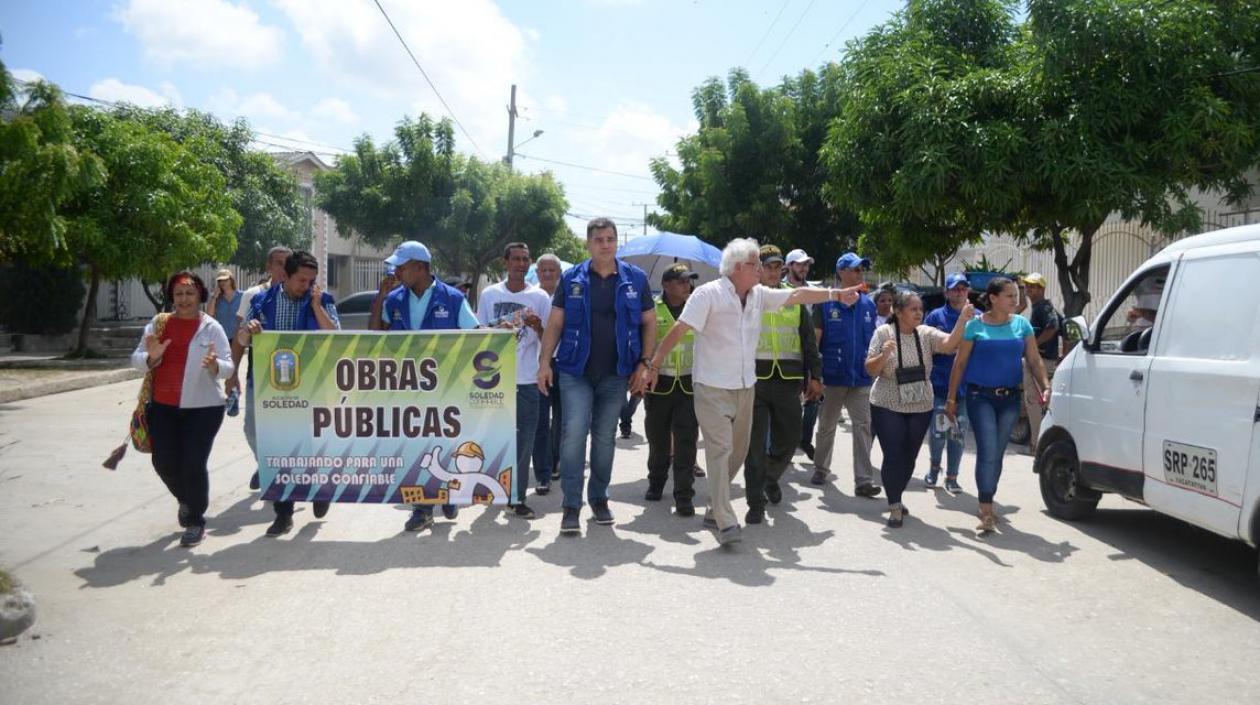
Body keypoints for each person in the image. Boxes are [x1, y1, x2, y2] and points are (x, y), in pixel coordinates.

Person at [639, 238, 863, 546]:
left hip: (745, 386)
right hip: (711, 387)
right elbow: (678, 331)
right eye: (756, 264)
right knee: (719, 451)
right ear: (738, 267)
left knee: (738, 452)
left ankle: (713, 506)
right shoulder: (708, 295)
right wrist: (652, 368)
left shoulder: (758, 295)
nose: (761, 269)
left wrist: (835, 293)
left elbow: (796, 295)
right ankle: (724, 519)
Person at [538, 217, 656, 536]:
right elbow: (555, 324)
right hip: (575, 370)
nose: (606, 244)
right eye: (599, 239)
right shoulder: (571, 278)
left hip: (617, 373)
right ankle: (571, 506)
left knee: (605, 438)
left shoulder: (636, 279)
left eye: (611, 239)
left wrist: (645, 363)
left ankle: (599, 498)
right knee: (574, 433)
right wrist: (544, 363)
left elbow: (649, 322)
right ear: (588, 244)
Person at [371, 240, 479, 532]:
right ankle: (422, 508)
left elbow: (476, 336)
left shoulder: (453, 298)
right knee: (415, 445)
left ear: (420, 267)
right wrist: (380, 298)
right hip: (406, 386)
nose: (397, 271)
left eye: (402, 266)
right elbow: (375, 336)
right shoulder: (394, 299)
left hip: (445, 387)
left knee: (444, 444)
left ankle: (447, 493)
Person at [237, 250, 340, 536]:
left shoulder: (322, 300)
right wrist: (250, 330)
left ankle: (321, 490)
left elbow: (336, 338)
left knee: (312, 443)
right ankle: (283, 512)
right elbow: (242, 338)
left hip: (313, 386)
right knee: (269, 443)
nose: (305, 286)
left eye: (311, 281)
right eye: (301, 280)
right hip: (272, 387)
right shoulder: (262, 301)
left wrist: (317, 306)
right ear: (286, 275)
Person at [131, 272, 234, 547]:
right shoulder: (159, 324)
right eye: (178, 294)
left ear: (199, 295)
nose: (184, 299)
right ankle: (185, 500)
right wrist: (151, 357)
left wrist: (215, 366)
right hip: (163, 406)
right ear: (172, 297)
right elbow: (137, 359)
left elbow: (228, 365)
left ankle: (195, 521)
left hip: (204, 408)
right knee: (162, 462)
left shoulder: (211, 328)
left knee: (192, 463)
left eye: (189, 294)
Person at [946, 277, 1050, 533]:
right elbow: (959, 364)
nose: (1016, 301)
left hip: (1010, 399)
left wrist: (1046, 385)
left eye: (1017, 296)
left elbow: (1035, 361)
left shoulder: (1022, 326)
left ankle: (988, 495)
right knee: (988, 448)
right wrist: (951, 399)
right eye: (1010, 296)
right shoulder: (974, 326)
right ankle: (986, 508)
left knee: (998, 452)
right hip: (980, 396)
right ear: (993, 298)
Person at [865, 290, 971, 527]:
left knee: (909, 456)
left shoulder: (924, 334)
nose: (918, 313)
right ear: (898, 311)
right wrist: (884, 355)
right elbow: (871, 369)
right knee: (893, 453)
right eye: (913, 309)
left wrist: (963, 319)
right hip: (887, 402)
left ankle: (896, 493)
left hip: (921, 403)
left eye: (920, 309)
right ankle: (894, 504)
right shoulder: (883, 333)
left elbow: (949, 343)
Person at [743, 245, 823, 524]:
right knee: (754, 445)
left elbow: (809, 342)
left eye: (779, 267)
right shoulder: (748, 299)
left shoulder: (794, 300)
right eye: (769, 267)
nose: (775, 272)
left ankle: (770, 476)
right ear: (758, 270)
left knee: (790, 439)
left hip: (788, 380)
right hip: (755, 381)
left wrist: (816, 376)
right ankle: (755, 504)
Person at [476, 242, 551, 520]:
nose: (521, 264)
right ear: (505, 263)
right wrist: (498, 328)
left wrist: (537, 326)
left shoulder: (540, 297)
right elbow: (478, 334)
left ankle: (516, 497)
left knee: (525, 441)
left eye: (525, 260)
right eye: (516, 259)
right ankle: (491, 488)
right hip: (494, 380)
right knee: (494, 438)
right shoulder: (489, 294)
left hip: (528, 380)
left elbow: (549, 343)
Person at [811, 251, 878, 495]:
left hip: (860, 377)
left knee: (863, 427)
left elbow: (874, 342)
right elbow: (815, 341)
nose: (860, 273)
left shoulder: (869, 304)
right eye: (855, 269)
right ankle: (821, 467)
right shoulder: (825, 303)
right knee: (827, 425)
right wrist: (814, 376)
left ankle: (863, 480)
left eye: (862, 269)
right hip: (833, 376)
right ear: (841, 272)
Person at [226, 245, 291, 491]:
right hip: (260, 376)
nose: (283, 268)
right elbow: (239, 337)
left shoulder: (302, 293)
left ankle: (285, 476)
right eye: (278, 263)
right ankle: (266, 464)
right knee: (252, 430)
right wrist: (232, 374)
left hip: (298, 378)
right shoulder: (254, 296)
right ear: (269, 266)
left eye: (288, 263)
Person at [642, 264, 700, 517]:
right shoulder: (652, 309)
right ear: (666, 285)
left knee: (687, 442)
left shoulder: (697, 308)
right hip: (659, 386)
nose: (687, 285)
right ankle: (656, 481)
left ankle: (684, 495)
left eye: (689, 281)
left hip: (689, 385)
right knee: (658, 440)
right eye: (681, 281)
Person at [923, 273, 973, 493]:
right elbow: (925, 344)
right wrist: (948, 347)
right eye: (955, 288)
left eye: (963, 288)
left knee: (958, 433)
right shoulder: (935, 317)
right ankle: (934, 468)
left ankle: (952, 476)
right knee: (938, 431)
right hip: (940, 384)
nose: (959, 292)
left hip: (966, 386)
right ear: (947, 292)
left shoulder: (977, 317)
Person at [531, 253, 564, 493]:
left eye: (552, 270)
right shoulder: (531, 297)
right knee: (540, 420)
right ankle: (542, 471)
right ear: (538, 272)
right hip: (538, 365)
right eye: (544, 270)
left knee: (562, 420)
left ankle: (556, 462)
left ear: (559, 272)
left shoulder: (569, 296)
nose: (548, 274)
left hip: (565, 365)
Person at [785, 248, 821, 459]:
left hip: (809, 352)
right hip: (785, 354)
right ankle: (780, 448)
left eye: (806, 264)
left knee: (813, 400)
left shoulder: (813, 292)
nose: (804, 268)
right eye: (799, 264)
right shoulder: (777, 290)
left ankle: (804, 440)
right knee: (787, 404)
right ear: (789, 266)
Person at [1021, 273, 1060, 454]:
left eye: (1033, 286)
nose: (1029, 289)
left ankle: (1036, 446)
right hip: (1046, 360)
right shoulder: (1042, 307)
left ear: (1042, 289)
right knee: (1042, 403)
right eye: (1027, 286)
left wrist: (1033, 346)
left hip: (1040, 361)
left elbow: (1053, 327)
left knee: (1034, 402)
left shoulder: (1043, 308)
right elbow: (1065, 328)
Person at [207, 269, 241, 341]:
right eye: (220, 281)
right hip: (221, 336)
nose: (222, 282)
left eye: (225, 280)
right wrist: (214, 297)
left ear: (231, 280)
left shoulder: (241, 296)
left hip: (237, 337)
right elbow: (209, 314)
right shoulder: (215, 297)